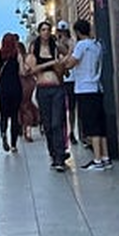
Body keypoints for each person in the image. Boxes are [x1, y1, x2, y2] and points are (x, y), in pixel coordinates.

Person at [64, 18, 112, 170]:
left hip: (84, 89)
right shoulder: (96, 45)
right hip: (97, 87)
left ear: (77, 32)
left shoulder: (81, 45)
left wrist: (69, 52)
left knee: (92, 125)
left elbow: (70, 63)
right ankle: (105, 157)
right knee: (100, 124)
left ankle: (97, 160)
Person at [26, 20, 68, 171]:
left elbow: (69, 53)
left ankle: (60, 156)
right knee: (48, 125)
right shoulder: (34, 48)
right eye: (43, 30)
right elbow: (32, 69)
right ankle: (53, 153)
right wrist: (50, 64)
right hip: (42, 89)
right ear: (39, 32)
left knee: (57, 123)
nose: (45, 32)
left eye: (48, 30)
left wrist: (62, 61)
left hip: (56, 87)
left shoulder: (55, 46)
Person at [0, 33, 23, 152]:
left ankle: (3, 134)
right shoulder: (17, 54)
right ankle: (13, 145)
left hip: (3, 89)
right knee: (14, 116)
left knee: (3, 115)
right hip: (16, 88)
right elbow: (22, 72)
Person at [56, 20, 78, 148]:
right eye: (61, 31)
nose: (62, 34)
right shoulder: (56, 44)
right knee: (62, 109)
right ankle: (65, 131)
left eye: (64, 31)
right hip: (61, 80)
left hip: (72, 79)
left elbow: (72, 58)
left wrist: (68, 51)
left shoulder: (72, 43)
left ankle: (72, 132)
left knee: (72, 108)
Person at [17, 40, 39, 141]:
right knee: (25, 107)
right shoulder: (23, 57)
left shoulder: (25, 58)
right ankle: (25, 129)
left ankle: (27, 131)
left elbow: (25, 72)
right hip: (25, 84)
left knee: (25, 107)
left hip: (25, 84)